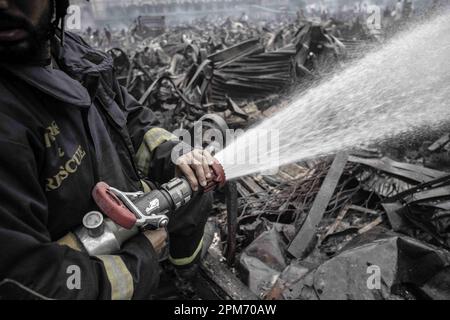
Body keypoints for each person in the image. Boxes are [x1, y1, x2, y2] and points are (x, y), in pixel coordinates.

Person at [0, 0, 214, 300]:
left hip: (127, 207)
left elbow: (132, 120)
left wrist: (176, 153)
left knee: (197, 191)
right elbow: (28, 284)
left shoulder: (72, 53)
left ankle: (186, 275)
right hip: (88, 259)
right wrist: (139, 261)